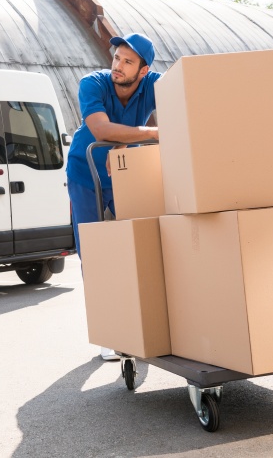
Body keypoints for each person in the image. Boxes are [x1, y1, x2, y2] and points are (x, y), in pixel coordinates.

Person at [66, 33, 162, 361]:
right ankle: (108, 332)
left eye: (127, 62)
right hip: (85, 171)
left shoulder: (156, 84)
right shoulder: (92, 83)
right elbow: (102, 131)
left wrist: (127, 142)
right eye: (116, 58)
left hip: (123, 171)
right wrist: (149, 134)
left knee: (139, 245)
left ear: (145, 69)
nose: (117, 66)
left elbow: (186, 97)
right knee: (93, 254)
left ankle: (141, 324)